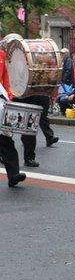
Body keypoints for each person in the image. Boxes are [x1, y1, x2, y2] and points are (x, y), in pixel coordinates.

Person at [0, 48, 27, 187]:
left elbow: (5, 78)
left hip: (0, 100)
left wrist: (9, 97)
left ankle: (13, 175)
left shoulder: (2, 54)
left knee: (6, 139)